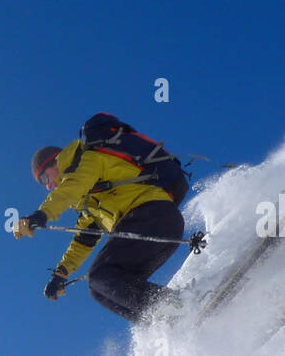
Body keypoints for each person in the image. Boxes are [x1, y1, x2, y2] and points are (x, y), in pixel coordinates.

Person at [14, 116, 186, 322]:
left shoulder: (89, 160)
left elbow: (71, 187)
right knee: (101, 289)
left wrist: (41, 215)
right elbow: (83, 240)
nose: (48, 186)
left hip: (152, 215)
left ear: (55, 161)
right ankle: (168, 324)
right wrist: (60, 275)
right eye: (43, 184)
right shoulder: (90, 204)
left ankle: (179, 306)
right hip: (155, 229)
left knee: (101, 275)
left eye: (44, 178)